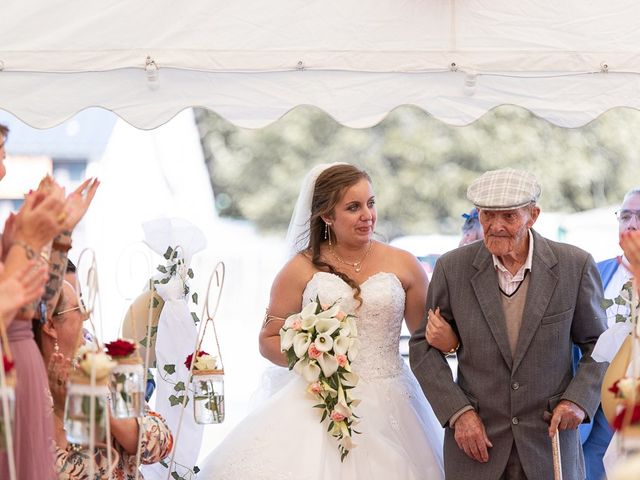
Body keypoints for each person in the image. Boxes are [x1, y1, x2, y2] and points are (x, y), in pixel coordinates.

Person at [199, 163, 457, 479]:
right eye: (353, 207)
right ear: (327, 215)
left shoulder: (404, 263)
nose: (368, 215)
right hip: (322, 400)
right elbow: (268, 340)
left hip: (394, 402)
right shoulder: (299, 268)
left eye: (371, 203)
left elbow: (425, 341)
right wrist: (313, 357)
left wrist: (450, 341)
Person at [410, 168, 608, 480]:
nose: (496, 226)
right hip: (476, 447)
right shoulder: (452, 268)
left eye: (509, 217)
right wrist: (458, 413)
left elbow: (599, 345)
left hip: (549, 443)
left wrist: (578, 400)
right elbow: (422, 348)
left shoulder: (575, 265)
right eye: (488, 215)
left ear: (533, 215)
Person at [37, 268, 173, 479]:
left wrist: (108, 415)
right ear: (50, 325)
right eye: (77, 308)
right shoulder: (26, 391)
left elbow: (162, 440)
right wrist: (59, 414)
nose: (86, 315)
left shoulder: (105, 368)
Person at [576, 189, 640, 479]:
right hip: (592, 401)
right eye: (625, 215)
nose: (631, 224)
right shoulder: (597, 270)